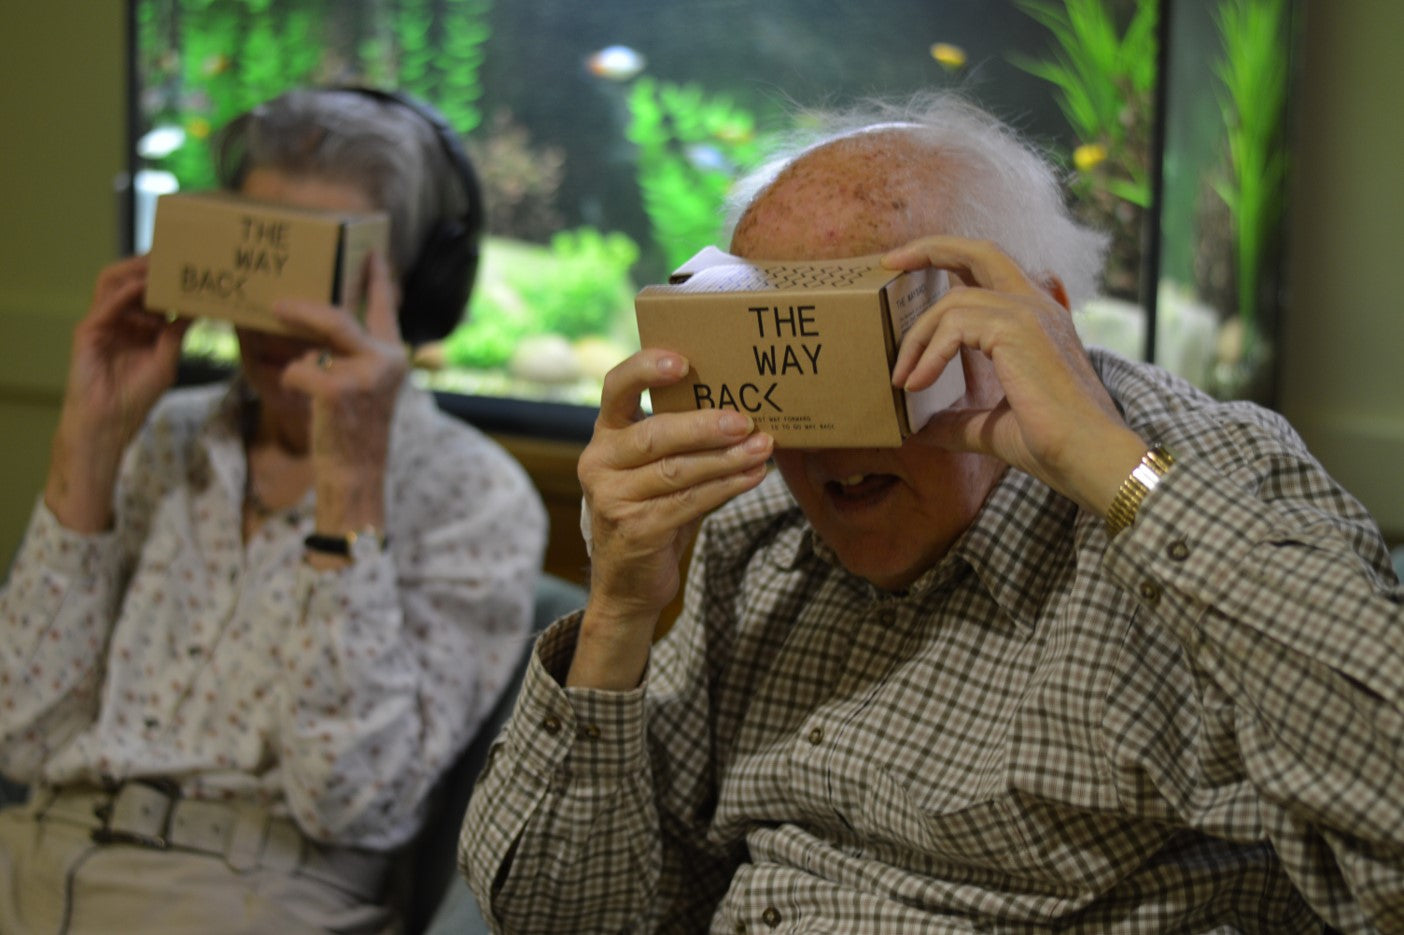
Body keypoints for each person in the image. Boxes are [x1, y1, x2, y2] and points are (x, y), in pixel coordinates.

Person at [460, 93, 1404, 933]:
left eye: (885, 350)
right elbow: (556, 913)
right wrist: (622, 613)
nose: (829, 439)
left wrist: (1116, 475)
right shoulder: (753, 533)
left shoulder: (1210, 475)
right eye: (790, 363)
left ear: (1042, 321)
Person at [0, 87, 547, 934]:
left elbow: (352, 803)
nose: (282, 309)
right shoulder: (163, 438)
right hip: (31, 853)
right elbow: (20, 736)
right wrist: (90, 441)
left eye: (325, 267)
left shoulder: (473, 497)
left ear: (415, 286)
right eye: (262, 254)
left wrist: (351, 491)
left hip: (253, 893)